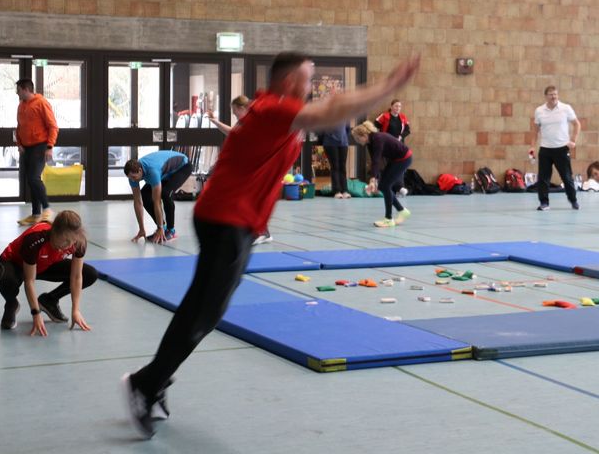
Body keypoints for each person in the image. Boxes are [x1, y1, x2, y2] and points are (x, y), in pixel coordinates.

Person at [121, 51, 420, 439]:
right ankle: (146, 383)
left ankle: (153, 379)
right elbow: (331, 111)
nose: (311, 87)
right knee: (201, 312)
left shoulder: (274, 110)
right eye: (308, 78)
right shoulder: (274, 109)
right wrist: (389, 85)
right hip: (225, 218)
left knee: (207, 312)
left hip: (238, 223)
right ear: (290, 81)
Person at [0, 210, 96, 335]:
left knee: (89, 274)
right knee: (7, 279)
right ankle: (11, 303)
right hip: (15, 263)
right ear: (54, 231)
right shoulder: (35, 239)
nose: (68, 246)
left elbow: (76, 277)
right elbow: (29, 281)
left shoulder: (78, 242)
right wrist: (35, 313)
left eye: (72, 241)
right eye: (65, 240)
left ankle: (49, 300)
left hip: (44, 264)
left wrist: (75, 310)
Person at [207, 95, 273, 245]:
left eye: (234, 110)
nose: (234, 113)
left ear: (242, 108)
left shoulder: (253, 121)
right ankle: (254, 230)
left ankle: (262, 232)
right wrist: (214, 121)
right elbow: (233, 133)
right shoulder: (243, 122)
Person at [351, 121, 413, 227]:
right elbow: (375, 162)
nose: (357, 141)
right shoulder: (370, 142)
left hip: (404, 159)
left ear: (364, 135)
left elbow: (377, 160)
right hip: (395, 160)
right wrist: (375, 180)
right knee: (383, 186)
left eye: (357, 138)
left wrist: (372, 179)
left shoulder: (378, 139)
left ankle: (388, 219)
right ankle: (402, 211)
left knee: (385, 186)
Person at [15, 78, 59, 226]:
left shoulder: (41, 103)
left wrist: (50, 147)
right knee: (30, 180)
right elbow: (19, 127)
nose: (17, 93)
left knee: (34, 178)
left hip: (40, 146)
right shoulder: (21, 105)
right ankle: (35, 214)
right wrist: (19, 144)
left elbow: (53, 126)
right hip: (26, 148)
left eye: (18, 90)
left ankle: (47, 209)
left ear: (26, 89)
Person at [529, 85, 581, 211]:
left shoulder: (565, 108)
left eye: (555, 94)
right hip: (545, 149)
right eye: (551, 94)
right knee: (543, 178)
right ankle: (544, 203)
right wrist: (532, 146)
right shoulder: (539, 111)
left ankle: (573, 200)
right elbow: (535, 130)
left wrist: (573, 140)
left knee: (567, 177)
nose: (553, 97)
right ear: (546, 96)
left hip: (562, 149)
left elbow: (577, 124)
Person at [124, 150, 193, 243]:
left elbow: (157, 202)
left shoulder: (152, 172)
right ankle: (162, 228)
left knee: (166, 193)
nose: (132, 180)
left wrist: (159, 228)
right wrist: (141, 228)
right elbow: (137, 202)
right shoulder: (132, 176)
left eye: (134, 177)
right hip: (164, 171)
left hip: (183, 166)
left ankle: (171, 230)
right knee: (145, 194)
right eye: (130, 178)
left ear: (140, 170)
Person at [319, 124, 351, 199]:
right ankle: (337, 191)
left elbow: (348, 129)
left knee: (343, 167)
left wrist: (345, 138)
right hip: (330, 142)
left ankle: (345, 190)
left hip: (343, 143)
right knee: (335, 166)